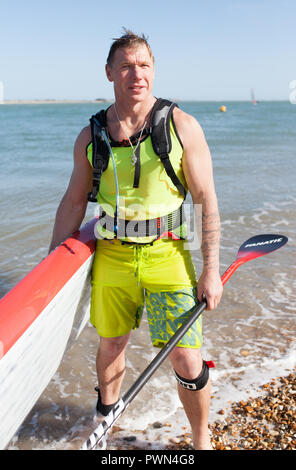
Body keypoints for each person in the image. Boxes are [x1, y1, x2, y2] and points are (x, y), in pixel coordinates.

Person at [49, 29, 223, 450]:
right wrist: (50, 274)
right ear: (110, 73)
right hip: (113, 257)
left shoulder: (180, 125)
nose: (136, 74)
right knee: (111, 344)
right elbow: (73, 204)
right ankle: (104, 429)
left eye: (144, 65)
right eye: (126, 65)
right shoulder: (92, 136)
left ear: (153, 72)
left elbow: (206, 200)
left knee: (186, 356)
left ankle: (201, 440)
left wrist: (211, 270)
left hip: (167, 255)